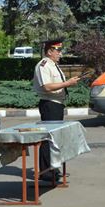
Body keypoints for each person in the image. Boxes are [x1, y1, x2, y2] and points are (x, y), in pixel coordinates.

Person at [34, 39, 82, 173]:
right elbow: (47, 86)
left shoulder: (53, 65)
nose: (60, 54)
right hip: (49, 105)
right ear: (49, 51)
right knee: (48, 138)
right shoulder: (43, 65)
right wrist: (67, 83)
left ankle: (53, 168)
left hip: (57, 104)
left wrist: (69, 83)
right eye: (58, 50)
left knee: (55, 138)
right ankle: (46, 171)